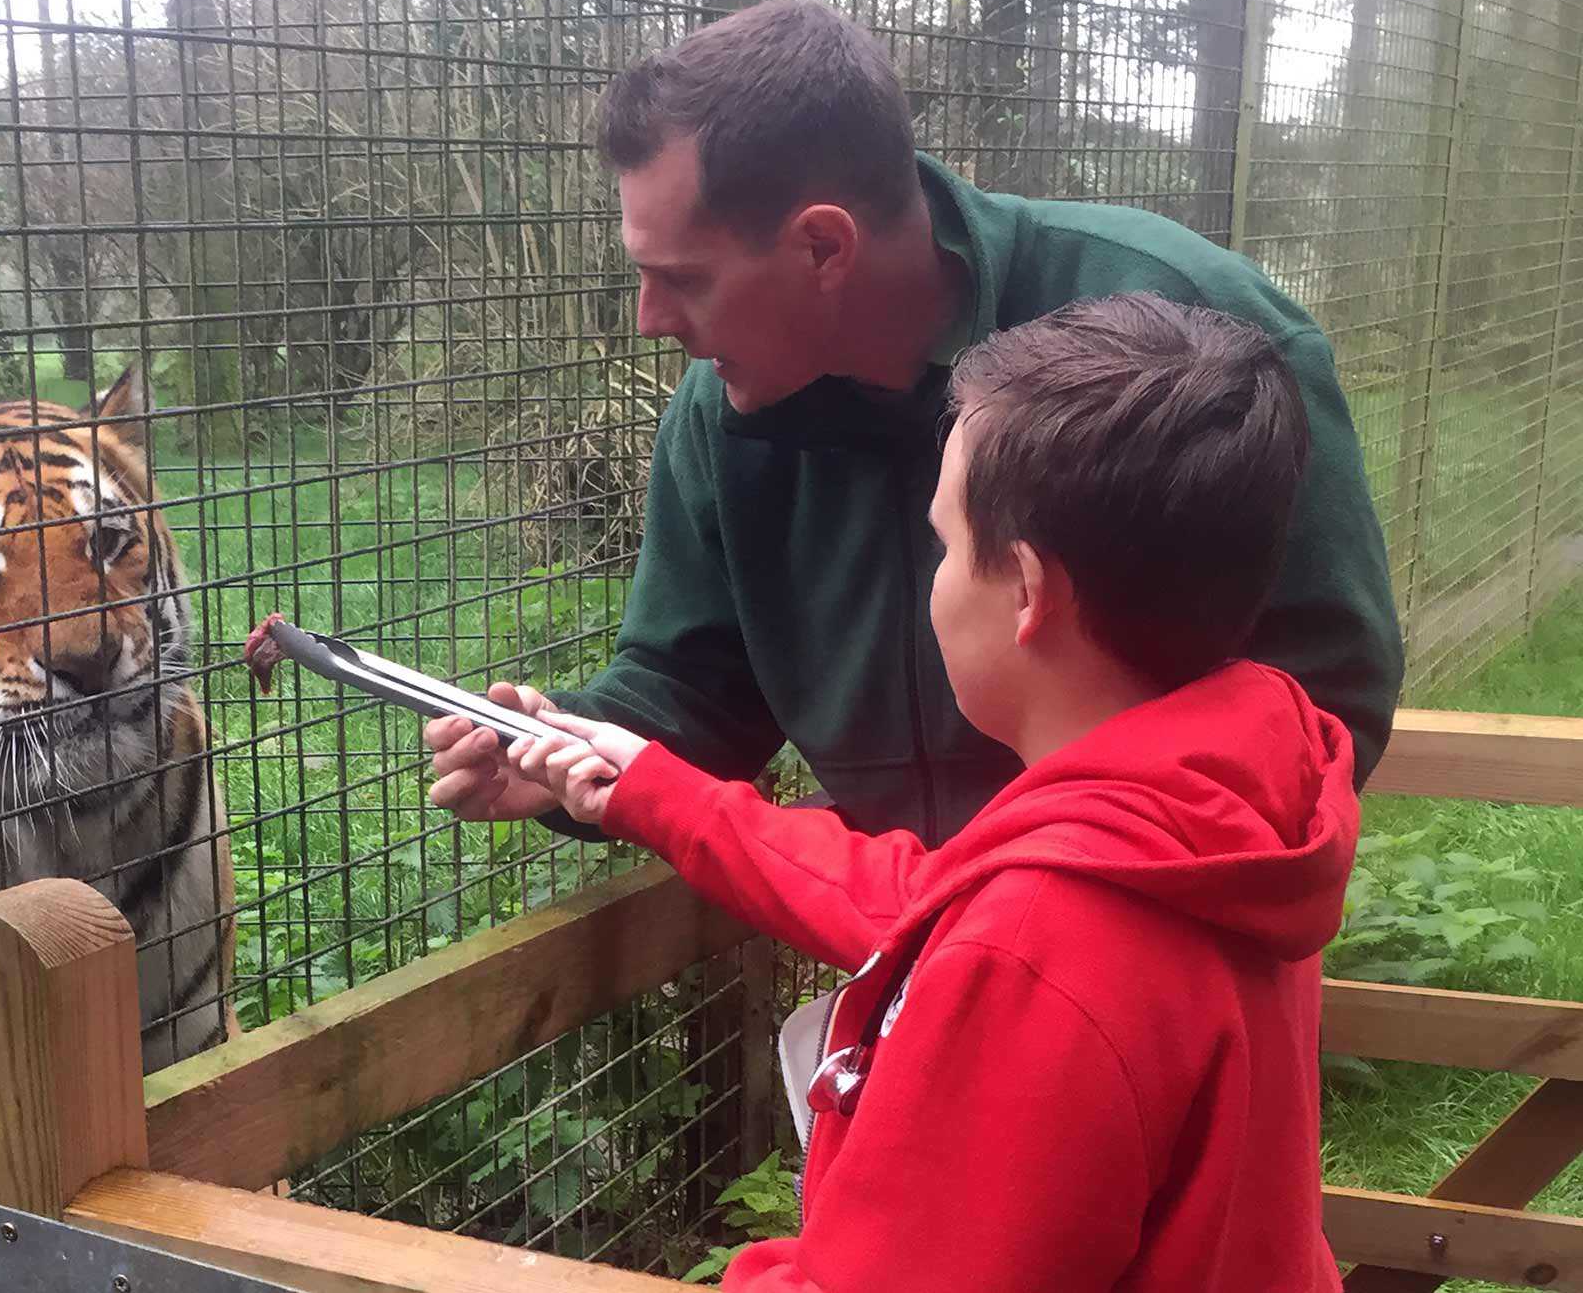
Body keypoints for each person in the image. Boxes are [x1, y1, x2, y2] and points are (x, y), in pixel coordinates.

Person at [505, 294, 1355, 1292]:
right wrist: (645, 784)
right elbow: (924, 898)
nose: (935, 581)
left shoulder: (1036, 953)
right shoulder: (1220, 806)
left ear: (1028, 592)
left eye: (945, 544)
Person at [424, 0, 1401, 845]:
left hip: (1140, 949)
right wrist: (561, 748)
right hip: (901, 942)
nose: (648, 320)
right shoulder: (723, 412)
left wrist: (1048, 899)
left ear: (820, 247)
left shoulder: (1190, 328)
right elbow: (694, 685)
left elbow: (1323, 692)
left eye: (681, 278)